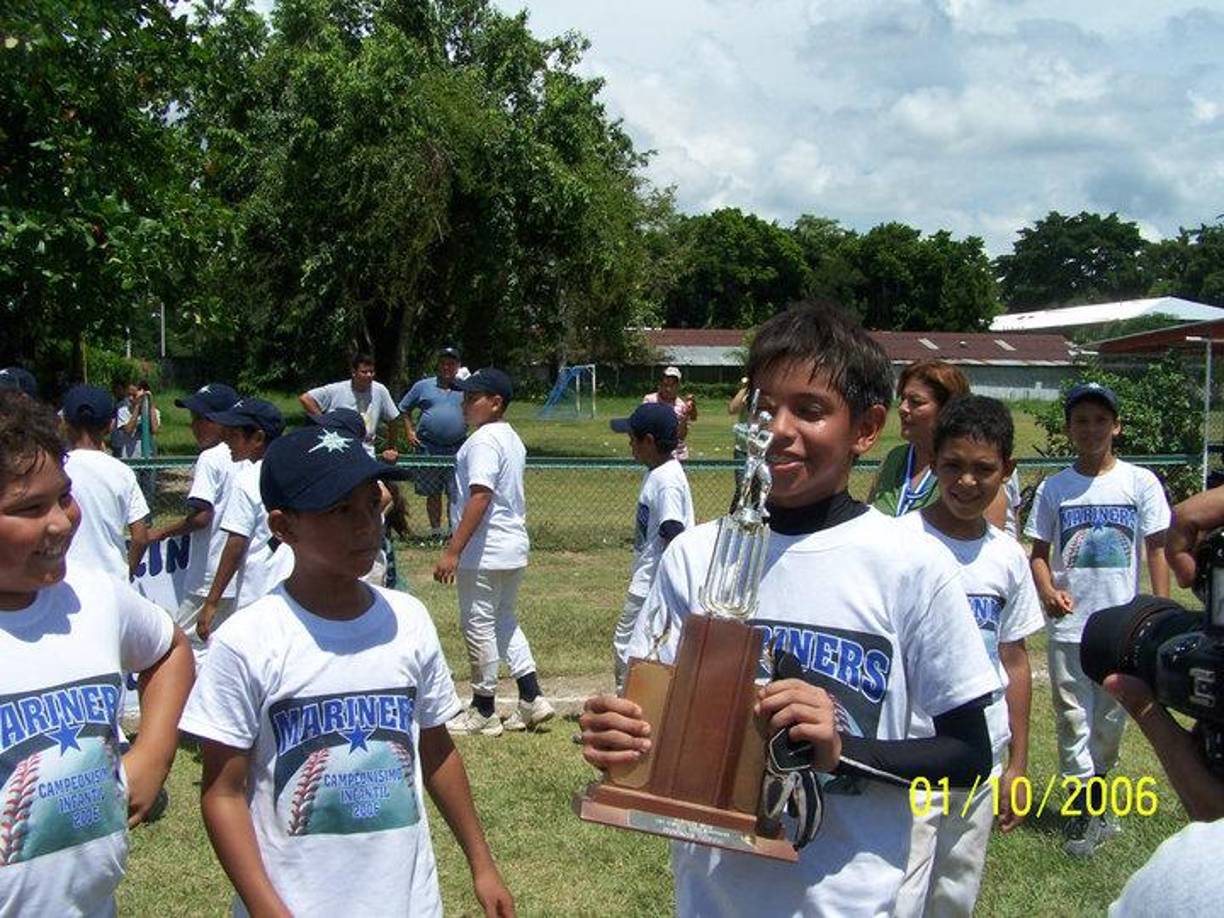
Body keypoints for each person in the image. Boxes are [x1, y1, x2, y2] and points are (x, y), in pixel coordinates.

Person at [582, 303, 999, 917]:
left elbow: (969, 756)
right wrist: (619, 735)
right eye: (765, 406)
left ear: (866, 428)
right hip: (712, 901)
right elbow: (655, 722)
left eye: (810, 410)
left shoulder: (911, 564)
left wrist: (840, 748)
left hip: (850, 901)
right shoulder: (696, 556)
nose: (779, 429)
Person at [179, 426, 514, 917]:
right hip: (297, 901)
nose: (365, 525)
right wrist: (267, 908)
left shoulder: (408, 620)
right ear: (283, 527)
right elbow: (222, 792)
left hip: (407, 902)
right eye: (340, 510)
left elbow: (436, 748)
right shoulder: (249, 640)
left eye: (370, 504)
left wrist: (481, 863)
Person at [0, 390, 194, 915]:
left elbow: (170, 651)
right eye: (29, 508)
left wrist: (153, 752)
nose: (61, 522)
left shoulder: (94, 596)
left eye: (63, 496)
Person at [893, 396, 1044, 918]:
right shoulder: (899, 544)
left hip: (982, 748)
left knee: (955, 888)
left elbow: (1015, 660)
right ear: (933, 461)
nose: (966, 481)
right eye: (953, 465)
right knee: (901, 887)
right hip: (913, 745)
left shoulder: (1007, 557)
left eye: (984, 469)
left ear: (1008, 469)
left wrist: (1017, 765)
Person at [1025, 381, 1172, 857]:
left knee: (1111, 719)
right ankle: (1081, 809)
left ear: (1117, 426)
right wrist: (1048, 590)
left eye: (1100, 420)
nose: (1091, 429)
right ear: (1069, 429)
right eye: (1081, 421)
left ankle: (1100, 796)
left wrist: (1159, 611)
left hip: (1119, 628)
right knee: (1072, 717)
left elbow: (1156, 549)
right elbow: (1039, 553)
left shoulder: (1139, 482)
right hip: (1070, 626)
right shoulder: (1055, 488)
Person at [433, 368, 554, 736]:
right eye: (464, 398)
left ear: (496, 403)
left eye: (473, 398)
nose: (465, 405)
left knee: (479, 623)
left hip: (485, 549)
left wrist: (453, 549)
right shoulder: (510, 437)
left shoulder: (483, 440)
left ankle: (483, 709)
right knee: (503, 619)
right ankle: (531, 696)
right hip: (510, 544)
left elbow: (481, 496)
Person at [146, 383, 241, 664]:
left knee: (184, 645)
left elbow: (202, 516)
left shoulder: (211, 458)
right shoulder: (249, 456)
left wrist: (160, 532)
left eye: (201, 419)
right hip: (241, 573)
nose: (194, 426)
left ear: (222, 421)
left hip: (210, 572)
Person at [608, 403, 694, 691]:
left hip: (653, 581)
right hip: (649, 577)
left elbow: (673, 531)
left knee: (627, 644)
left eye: (632, 438)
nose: (629, 444)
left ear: (649, 441)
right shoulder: (658, 471)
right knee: (639, 645)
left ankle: (628, 703)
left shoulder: (666, 480)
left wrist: (666, 583)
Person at [197, 398, 291, 642]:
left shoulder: (248, 479)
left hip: (258, 593)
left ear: (258, 438)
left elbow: (236, 544)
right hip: (297, 594)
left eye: (234, 434)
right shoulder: (296, 472)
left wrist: (212, 601)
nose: (226, 440)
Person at [61, 384, 151, 581]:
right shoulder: (123, 473)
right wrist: (127, 574)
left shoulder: (56, 468)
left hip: (66, 579)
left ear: (65, 423)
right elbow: (140, 537)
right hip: (112, 581)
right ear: (111, 425)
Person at [868, 360, 970, 517]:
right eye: (902, 399)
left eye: (916, 402)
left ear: (948, 409)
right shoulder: (894, 459)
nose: (902, 408)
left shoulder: (968, 468)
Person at [399, 346, 467, 539]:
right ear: (438, 365)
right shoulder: (423, 386)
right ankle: (436, 532)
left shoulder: (465, 388)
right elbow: (404, 408)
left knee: (455, 492)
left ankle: (455, 531)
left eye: (451, 364)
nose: (447, 367)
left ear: (458, 366)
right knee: (433, 492)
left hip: (457, 448)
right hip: (429, 447)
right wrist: (409, 431)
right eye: (443, 363)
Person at [300, 353, 404, 461]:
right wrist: (324, 423)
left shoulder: (379, 390)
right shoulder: (337, 389)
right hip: (338, 452)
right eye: (364, 372)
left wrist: (391, 447)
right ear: (354, 372)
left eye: (371, 372)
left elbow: (393, 419)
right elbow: (306, 399)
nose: (369, 375)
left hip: (366, 453)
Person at [642, 366, 697, 461]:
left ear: (678, 386)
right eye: (665, 384)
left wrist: (684, 418)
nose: (668, 389)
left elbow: (681, 436)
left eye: (672, 385)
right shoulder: (650, 400)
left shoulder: (681, 406)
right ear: (660, 384)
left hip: (678, 454)